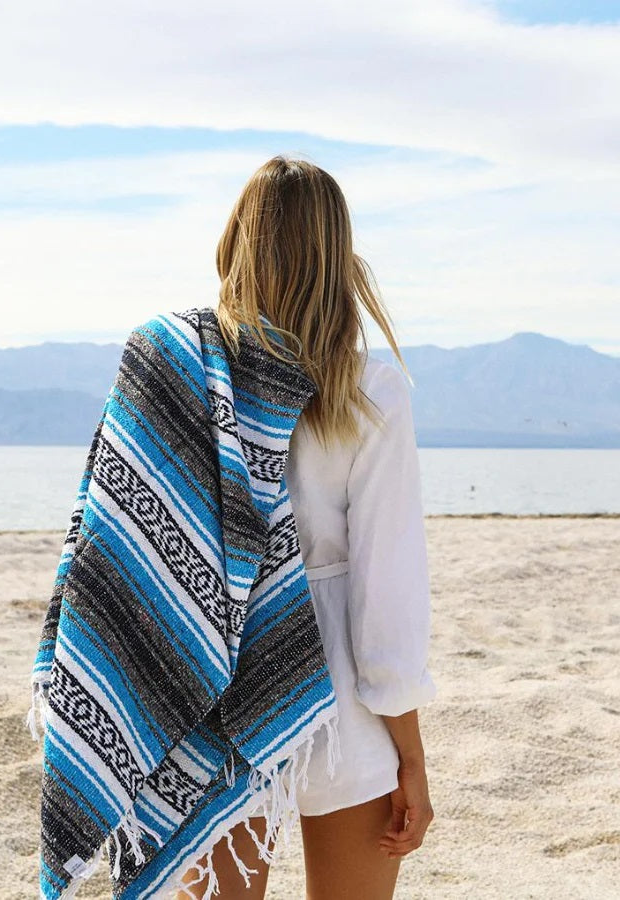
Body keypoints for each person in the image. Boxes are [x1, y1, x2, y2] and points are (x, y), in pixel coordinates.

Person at [176, 156, 437, 900]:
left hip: (212, 678)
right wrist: (411, 756)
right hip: (335, 691)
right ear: (338, 256)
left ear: (236, 244)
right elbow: (386, 590)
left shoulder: (184, 373)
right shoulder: (369, 391)